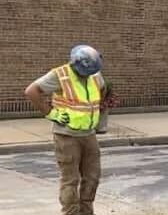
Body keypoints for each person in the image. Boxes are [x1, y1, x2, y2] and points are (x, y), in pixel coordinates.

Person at [24, 45, 105, 215]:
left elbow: (102, 90)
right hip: (66, 135)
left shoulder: (94, 74)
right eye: (84, 72)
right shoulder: (60, 75)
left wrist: (95, 111)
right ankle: (71, 212)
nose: (87, 75)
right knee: (70, 180)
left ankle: (86, 211)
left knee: (92, 177)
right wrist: (51, 113)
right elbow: (32, 91)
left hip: (89, 134)